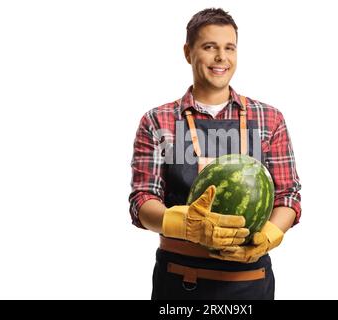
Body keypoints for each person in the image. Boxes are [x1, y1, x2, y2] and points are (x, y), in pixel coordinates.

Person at [129, 8, 301, 300]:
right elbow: (142, 201)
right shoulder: (157, 121)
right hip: (180, 280)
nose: (221, 57)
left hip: (250, 281)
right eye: (210, 47)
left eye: (229, 48)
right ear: (188, 52)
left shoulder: (269, 119)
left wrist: (267, 235)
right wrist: (183, 225)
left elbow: (289, 197)